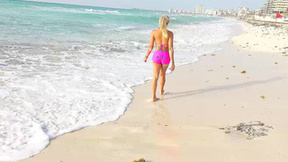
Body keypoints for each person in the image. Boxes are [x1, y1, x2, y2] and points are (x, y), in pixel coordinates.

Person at [144, 15, 175, 102]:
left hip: (157, 55)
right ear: (167, 23)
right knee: (163, 74)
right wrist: (173, 62)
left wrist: (146, 56)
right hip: (165, 56)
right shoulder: (170, 33)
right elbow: (171, 49)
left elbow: (150, 47)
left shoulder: (154, 32)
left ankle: (153, 97)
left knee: (155, 76)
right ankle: (161, 91)